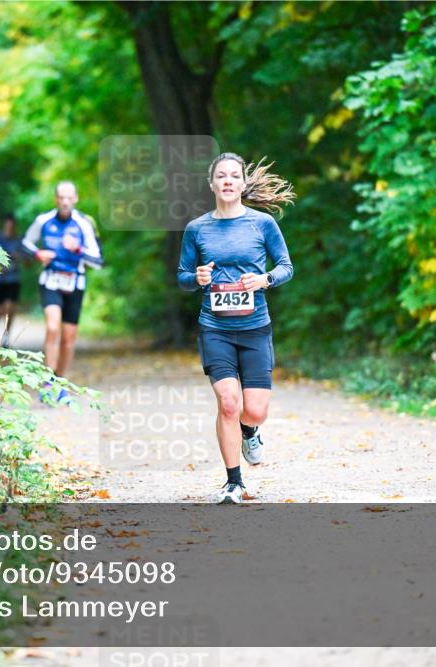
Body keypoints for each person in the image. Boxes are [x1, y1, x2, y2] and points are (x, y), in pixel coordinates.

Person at [177, 152, 295, 504]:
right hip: (215, 328)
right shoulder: (197, 228)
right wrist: (197, 278)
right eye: (221, 176)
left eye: (233, 176)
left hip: (256, 327)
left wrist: (265, 279)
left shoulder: (262, 224)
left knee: (254, 410)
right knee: (228, 402)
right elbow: (183, 277)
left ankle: (250, 430)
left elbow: (286, 266)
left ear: (243, 183)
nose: (227, 181)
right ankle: (234, 482)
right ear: (211, 184)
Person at [22, 181, 103, 403]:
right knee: (52, 327)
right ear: (56, 199)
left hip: (75, 283)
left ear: (75, 199)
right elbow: (25, 244)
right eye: (61, 197)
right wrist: (38, 254)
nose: (65, 201)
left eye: (69, 197)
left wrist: (77, 249)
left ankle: (60, 383)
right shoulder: (43, 220)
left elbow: (97, 261)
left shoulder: (83, 224)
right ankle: (48, 382)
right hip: (50, 280)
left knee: (68, 339)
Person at [0, 213, 23, 348]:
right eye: (7, 225)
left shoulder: (19, 240)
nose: (9, 228)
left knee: (9, 307)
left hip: (13, 279)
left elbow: (27, 260)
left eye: (12, 226)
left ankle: (6, 335)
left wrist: (19, 256)